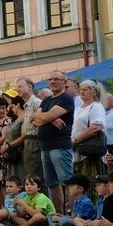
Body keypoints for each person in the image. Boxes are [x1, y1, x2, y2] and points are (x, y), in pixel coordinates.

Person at [29, 72, 75, 213]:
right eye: (51, 79)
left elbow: (44, 116)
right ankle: (58, 214)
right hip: (46, 146)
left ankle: (74, 215)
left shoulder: (66, 98)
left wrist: (47, 117)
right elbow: (33, 120)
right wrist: (51, 119)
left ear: (64, 82)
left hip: (60, 146)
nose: (53, 81)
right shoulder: (47, 100)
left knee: (68, 183)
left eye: (57, 79)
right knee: (52, 183)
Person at [71, 80, 108, 179]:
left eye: (85, 90)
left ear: (94, 92)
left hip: (89, 151)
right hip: (77, 151)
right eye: (81, 89)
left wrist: (76, 140)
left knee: (90, 180)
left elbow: (95, 127)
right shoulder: (78, 108)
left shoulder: (96, 106)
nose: (82, 92)